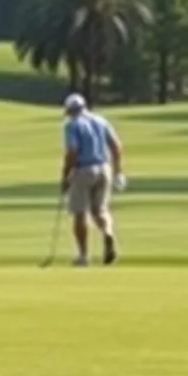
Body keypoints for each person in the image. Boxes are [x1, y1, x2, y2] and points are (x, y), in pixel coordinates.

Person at [60, 93, 126, 266]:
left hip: (83, 169)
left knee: (80, 213)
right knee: (100, 210)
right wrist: (118, 171)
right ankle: (108, 233)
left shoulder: (72, 125)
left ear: (70, 111)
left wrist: (66, 176)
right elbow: (116, 146)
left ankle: (83, 256)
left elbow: (72, 153)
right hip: (104, 168)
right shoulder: (100, 121)